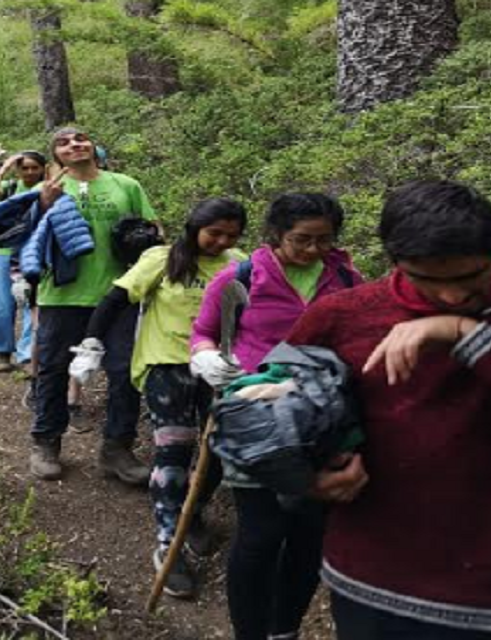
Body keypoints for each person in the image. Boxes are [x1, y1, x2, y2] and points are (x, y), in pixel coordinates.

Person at [288, 180, 491, 640]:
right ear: (394, 261)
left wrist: (469, 335)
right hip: (376, 583)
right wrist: (304, 476)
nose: (451, 296)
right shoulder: (342, 316)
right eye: (430, 279)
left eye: (470, 278)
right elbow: (261, 413)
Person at [190, 193, 363, 640]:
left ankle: (284, 629)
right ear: (275, 235)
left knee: (309, 533)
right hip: (257, 419)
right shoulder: (241, 278)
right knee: (262, 532)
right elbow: (205, 332)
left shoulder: (344, 278)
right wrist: (206, 358)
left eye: (323, 240)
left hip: (324, 421)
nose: (312, 250)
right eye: (301, 240)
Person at [71, 198, 247, 598]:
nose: (221, 241)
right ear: (194, 226)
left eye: (231, 235)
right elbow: (116, 299)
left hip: (220, 369)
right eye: (214, 233)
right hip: (167, 366)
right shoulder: (162, 258)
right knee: (172, 455)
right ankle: (169, 544)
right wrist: (92, 341)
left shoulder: (240, 262)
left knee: (218, 448)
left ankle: (194, 511)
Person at [28, 126, 158, 485]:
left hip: (118, 292)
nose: (75, 144)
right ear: (55, 154)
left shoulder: (125, 185)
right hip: (62, 294)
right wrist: (45, 205)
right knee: (54, 368)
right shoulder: (46, 187)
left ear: (94, 146)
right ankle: (46, 442)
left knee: (124, 371)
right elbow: (28, 239)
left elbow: (153, 229)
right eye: (64, 143)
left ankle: (117, 448)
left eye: (81, 138)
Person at [0, 151, 47, 371]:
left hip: (33, 251)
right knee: (2, 301)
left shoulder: (48, 188)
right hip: (2, 250)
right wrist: (5, 167)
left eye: (34, 168)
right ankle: (1, 351)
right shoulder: (10, 187)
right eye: (24, 168)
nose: (29, 172)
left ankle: (28, 354)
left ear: (42, 169)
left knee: (33, 301)